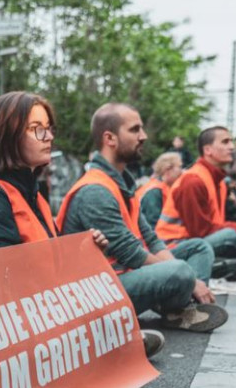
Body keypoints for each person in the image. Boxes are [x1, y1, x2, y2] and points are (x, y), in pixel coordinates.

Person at [0, 92, 169, 356]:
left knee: (99, 288)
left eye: (48, 129)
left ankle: (105, 340)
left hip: (18, 320)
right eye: (37, 130)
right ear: (7, 136)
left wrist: (81, 254)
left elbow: (44, 268)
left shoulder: (29, 193)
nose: (49, 138)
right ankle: (104, 342)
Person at [57, 103, 226, 334]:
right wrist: (188, 279)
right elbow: (131, 254)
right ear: (110, 138)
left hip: (128, 275)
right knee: (181, 271)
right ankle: (180, 303)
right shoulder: (94, 190)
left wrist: (181, 274)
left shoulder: (120, 182)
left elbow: (150, 238)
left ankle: (177, 307)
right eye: (135, 130)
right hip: (101, 292)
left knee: (199, 248)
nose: (143, 136)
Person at [165, 125, 236, 260]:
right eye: (225, 142)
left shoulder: (219, 181)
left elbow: (217, 224)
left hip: (196, 243)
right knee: (233, 235)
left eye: (231, 141)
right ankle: (217, 271)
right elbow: (200, 232)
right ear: (208, 150)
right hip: (173, 249)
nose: (232, 147)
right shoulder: (193, 181)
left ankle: (222, 270)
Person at [136, 152, 183, 228]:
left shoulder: (164, 187)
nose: (182, 171)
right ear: (168, 169)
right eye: (179, 167)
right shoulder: (154, 192)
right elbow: (152, 225)